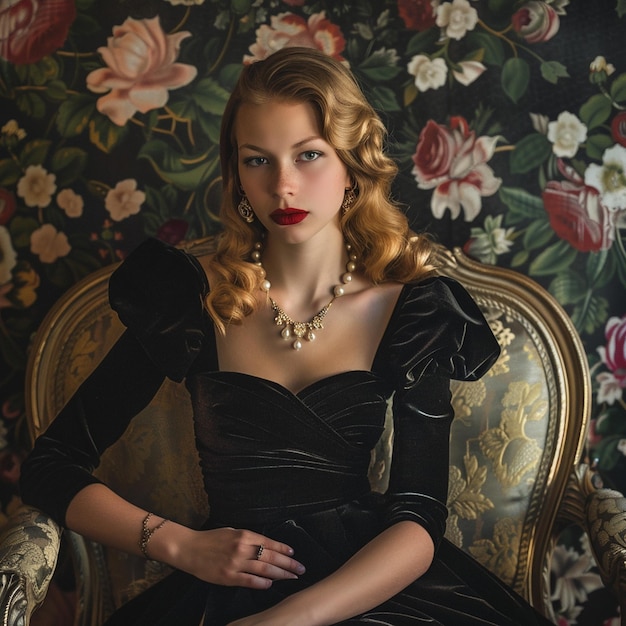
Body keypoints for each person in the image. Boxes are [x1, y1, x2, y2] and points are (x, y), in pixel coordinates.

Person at [20, 47, 554, 626]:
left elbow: (418, 518)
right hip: (222, 582)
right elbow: (51, 465)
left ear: (352, 163)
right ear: (236, 173)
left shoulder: (414, 312)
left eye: (309, 155)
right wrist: (179, 545)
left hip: (369, 590)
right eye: (258, 160)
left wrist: (288, 620)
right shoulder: (191, 302)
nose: (283, 186)